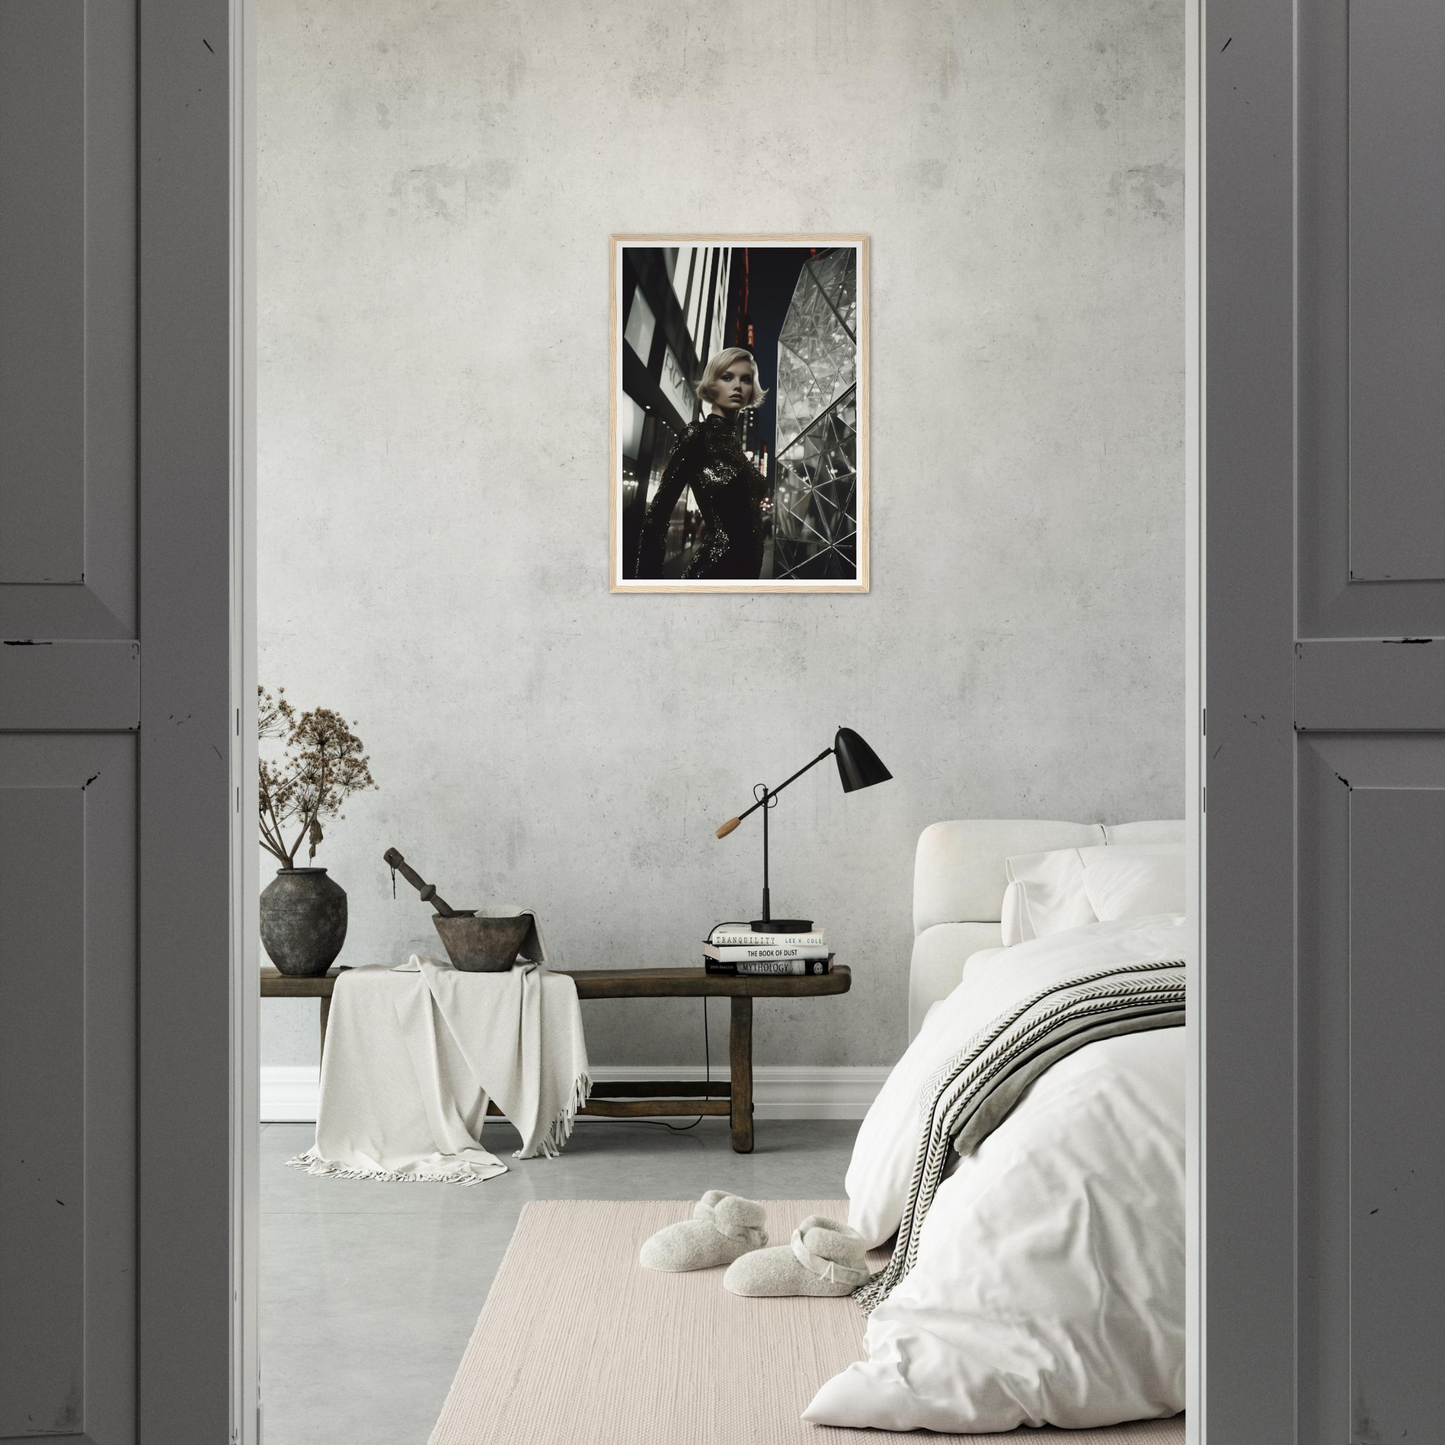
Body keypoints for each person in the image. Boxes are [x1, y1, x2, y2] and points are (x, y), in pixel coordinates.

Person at [634, 347, 769, 580]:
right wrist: (648, 587)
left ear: (751, 390)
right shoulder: (698, 435)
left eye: (745, 379)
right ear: (712, 384)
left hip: (745, 578)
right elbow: (657, 516)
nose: (737, 385)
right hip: (714, 573)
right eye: (727, 377)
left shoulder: (735, 446)